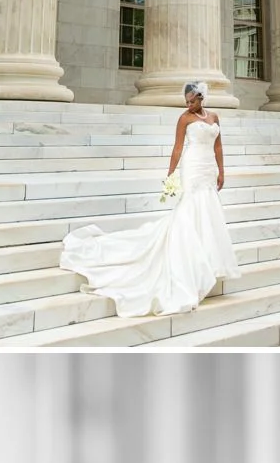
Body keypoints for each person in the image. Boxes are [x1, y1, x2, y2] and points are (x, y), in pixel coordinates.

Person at [59, 80, 242, 318]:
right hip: (193, 166)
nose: (188, 105)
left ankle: (208, 259)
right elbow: (178, 148)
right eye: (186, 102)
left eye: (191, 101)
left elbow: (218, 146)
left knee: (208, 210)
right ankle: (191, 262)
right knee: (190, 208)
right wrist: (171, 174)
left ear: (200, 98)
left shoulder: (215, 117)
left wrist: (221, 171)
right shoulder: (184, 119)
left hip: (208, 168)